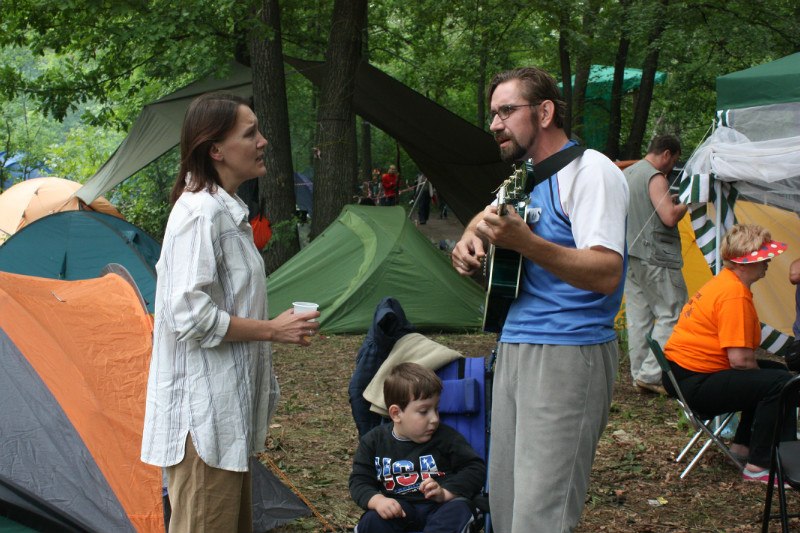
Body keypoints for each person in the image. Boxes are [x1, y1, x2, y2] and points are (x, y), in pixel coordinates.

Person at [451, 67, 629, 532]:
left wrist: (526, 243)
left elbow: (608, 272)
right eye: (493, 114)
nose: (495, 124)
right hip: (516, 347)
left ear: (545, 112)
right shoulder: (524, 178)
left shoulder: (592, 172)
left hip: (569, 353)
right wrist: (468, 239)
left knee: (541, 515)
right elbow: (485, 217)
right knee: (507, 507)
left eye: (506, 111)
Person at [140, 92, 320, 533]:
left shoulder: (225, 212)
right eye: (250, 133)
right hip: (203, 423)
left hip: (225, 420)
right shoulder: (199, 213)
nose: (262, 141)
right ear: (215, 149)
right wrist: (270, 330)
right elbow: (189, 315)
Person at [663, 223, 794, 485]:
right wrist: (765, 386)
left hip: (681, 375)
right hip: (696, 383)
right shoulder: (734, 294)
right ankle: (761, 464)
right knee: (782, 385)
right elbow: (740, 361)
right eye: (762, 256)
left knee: (777, 375)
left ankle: (743, 447)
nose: (768, 261)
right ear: (744, 262)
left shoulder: (725, 283)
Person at [349, 362, 485, 533]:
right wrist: (378, 501)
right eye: (423, 411)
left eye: (436, 409)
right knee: (372, 521)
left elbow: (474, 468)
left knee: (459, 510)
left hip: (440, 507)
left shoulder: (446, 437)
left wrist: (445, 492)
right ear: (396, 414)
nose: (435, 419)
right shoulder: (374, 441)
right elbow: (359, 480)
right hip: (400, 509)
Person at [624, 134, 686, 395]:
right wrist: (689, 202)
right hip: (656, 255)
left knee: (639, 317)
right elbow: (669, 217)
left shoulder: (627, 174)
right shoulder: (655, 177)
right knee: (672, 311)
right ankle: (650, 374)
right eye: (674, 161)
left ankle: (639, 373)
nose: (672, 167)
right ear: (667, 154)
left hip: (630, 253)